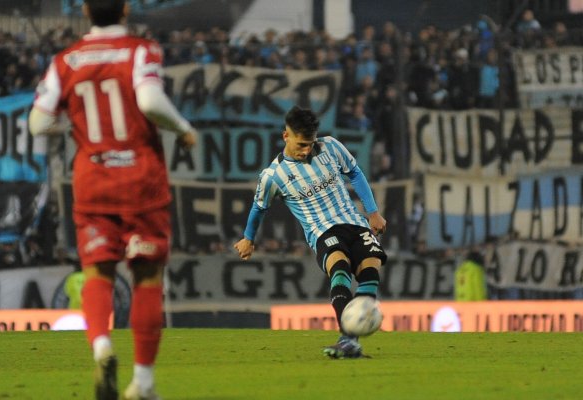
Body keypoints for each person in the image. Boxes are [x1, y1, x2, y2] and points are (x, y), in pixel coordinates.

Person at [28, 1, 197, 399]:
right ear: (124, 9)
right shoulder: (141, 49)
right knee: (147, 278)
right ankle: (143, 382)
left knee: (98, 273)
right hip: (141, 178)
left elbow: (37, 122)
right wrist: (184, 128)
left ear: (85, 11)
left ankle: (102, 347)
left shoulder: (66, 60)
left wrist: (75, 122)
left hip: (93, 179)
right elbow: (151, 102)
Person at [234, 105, 387, 358]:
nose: (307, 151)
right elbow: (258, 208)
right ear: (286, 136)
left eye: (310, 144)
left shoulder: (331, 147)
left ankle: (350, 340)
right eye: (302, 144)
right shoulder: (273, 176)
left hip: (355, 223)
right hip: (323, 231)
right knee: (340, 268)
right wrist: (248, 239)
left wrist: (372, 212)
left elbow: (355, 173)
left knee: (370, 270)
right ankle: (349, 338)